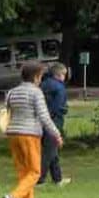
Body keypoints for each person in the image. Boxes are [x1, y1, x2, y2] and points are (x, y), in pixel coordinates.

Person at [0, 60, 61, 198]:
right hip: (30, 134)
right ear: (35, 77)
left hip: (13, 134)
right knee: (35, 171)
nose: (41, 79)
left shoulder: (12, 92)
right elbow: (44, 117)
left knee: (23, 171)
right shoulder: (36, 92)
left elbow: (7, 112)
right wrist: (56, 133)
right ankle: (13, 197)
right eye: (40, 76)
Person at [35, 61, 71, 189]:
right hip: (54, 121)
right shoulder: (59, 87)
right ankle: (39, 179)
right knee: (49, 151)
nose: (65, 77)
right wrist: (64, 110)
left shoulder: (43, 85)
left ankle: (57, 178)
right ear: (60, 74)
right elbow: (58, 107)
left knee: (52, 150)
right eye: (64, 74)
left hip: (41, 120)